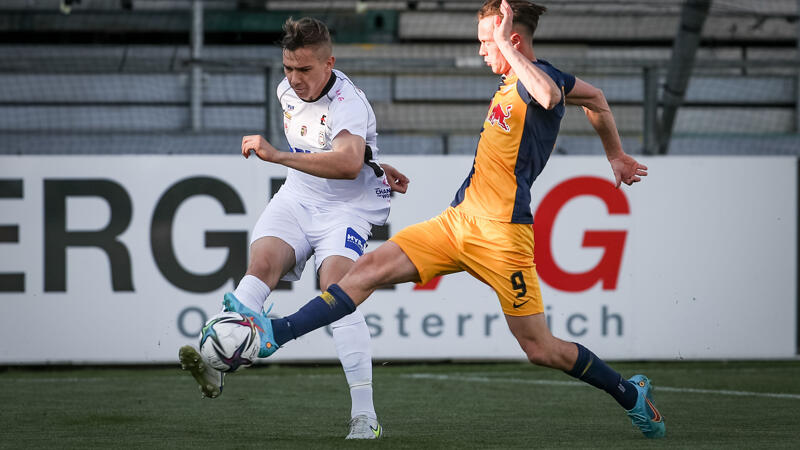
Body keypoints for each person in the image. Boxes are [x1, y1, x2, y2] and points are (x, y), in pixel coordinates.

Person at [225, 0, 665, 440]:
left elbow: (551, 96)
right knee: (366, 272)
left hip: (504, 235)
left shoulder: (539, 80)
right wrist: (616, 155)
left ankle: (629, 394)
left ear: (512, 40)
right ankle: (274, 334)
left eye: (485, 42)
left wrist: (508, 49)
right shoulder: (515, 79)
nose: (481, 52)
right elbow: (599, 101)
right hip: (459, 220)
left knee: (540, 348)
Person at [179, 16, 410, 440]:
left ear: (329, 64)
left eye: (304, 69)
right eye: (288, 67)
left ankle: (365, 415)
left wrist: (277, 155)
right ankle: (215, 364)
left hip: (346, 210)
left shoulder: (348, 102)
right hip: (298, 198)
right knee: (260, 266)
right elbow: (334, 148)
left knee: (338, 290)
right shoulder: (285, 90)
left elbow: (344, 162)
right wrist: (374, 160)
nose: (294, 78)